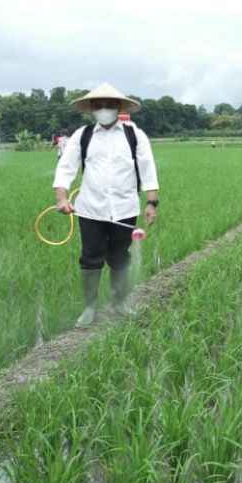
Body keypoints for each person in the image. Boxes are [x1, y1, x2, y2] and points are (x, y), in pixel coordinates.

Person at [53, 83, 159, 326]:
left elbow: (148, 169)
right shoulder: (83, 135)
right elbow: (66, 167)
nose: (103, 108)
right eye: (97, 104)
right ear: (90, 108)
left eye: (109, 104)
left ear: (118, 106)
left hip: (125, 208)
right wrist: (61, 197)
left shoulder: (134, 135)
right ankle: (89, 307)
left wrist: (151, 202)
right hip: (91, 209)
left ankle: (120, 302)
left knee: (120, 256)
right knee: (90, 257)